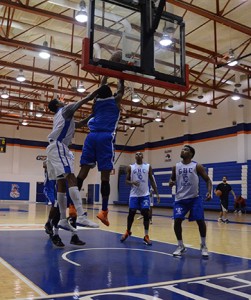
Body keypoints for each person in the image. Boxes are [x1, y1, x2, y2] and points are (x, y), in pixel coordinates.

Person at [46, 87, 105, 237]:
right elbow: (84, 100)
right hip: (59, 146)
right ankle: (81, 215)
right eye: (59, 100)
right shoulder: (65, 110)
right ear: (58, 104)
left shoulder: (60, 116)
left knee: (61, 184)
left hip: (53, 147)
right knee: (71, 178)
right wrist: (98, 91)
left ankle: (63, 219)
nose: (62, 100)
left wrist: (93, 115)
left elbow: (78, 125)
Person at [77, 77, 124, 227]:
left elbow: (101, 88)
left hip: (91, 137)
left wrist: (104, 76)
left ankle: (72, 207)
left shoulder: (96, 103)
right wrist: (119, 74)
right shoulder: (115, 101)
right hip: (105, 137)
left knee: (82, 173)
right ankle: (103, 211)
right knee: (105, 178)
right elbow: (121, 88)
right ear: (111, 93)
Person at [169, 145, 212, 257]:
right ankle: (180, 246)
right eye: (182, 149)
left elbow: (208, 180)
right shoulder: (176, 166)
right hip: (180, 199)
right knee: (177, 221)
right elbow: (172, 179)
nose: (183, 150)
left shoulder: (197, 166)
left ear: (191, 154)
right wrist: (171, 182)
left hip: (194, 198)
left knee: (200, 221)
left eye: (186, 149)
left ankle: (203, 245)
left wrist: (209, 192)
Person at [120, 152, 160, 245]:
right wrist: (132, 182)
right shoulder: (131, 167)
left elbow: (151, 180)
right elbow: (126, 181)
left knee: (146, 213)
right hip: (134, 195)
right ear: (134, 157)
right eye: (136, 154)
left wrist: (157, 193)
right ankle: (128, 231)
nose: (138, 155)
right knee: (132, 212)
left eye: (140, 154)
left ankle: (146, 236)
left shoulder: (148, 166)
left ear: (143, 156)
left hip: (144, 195)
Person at [43, 160, 85, 247]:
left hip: (64, 187)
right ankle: (54, 233)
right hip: (51, 188)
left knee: (73, 210)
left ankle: (74, 236)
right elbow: (45, 164)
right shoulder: (53, 158)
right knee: (57, 205)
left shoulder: (66, 160)